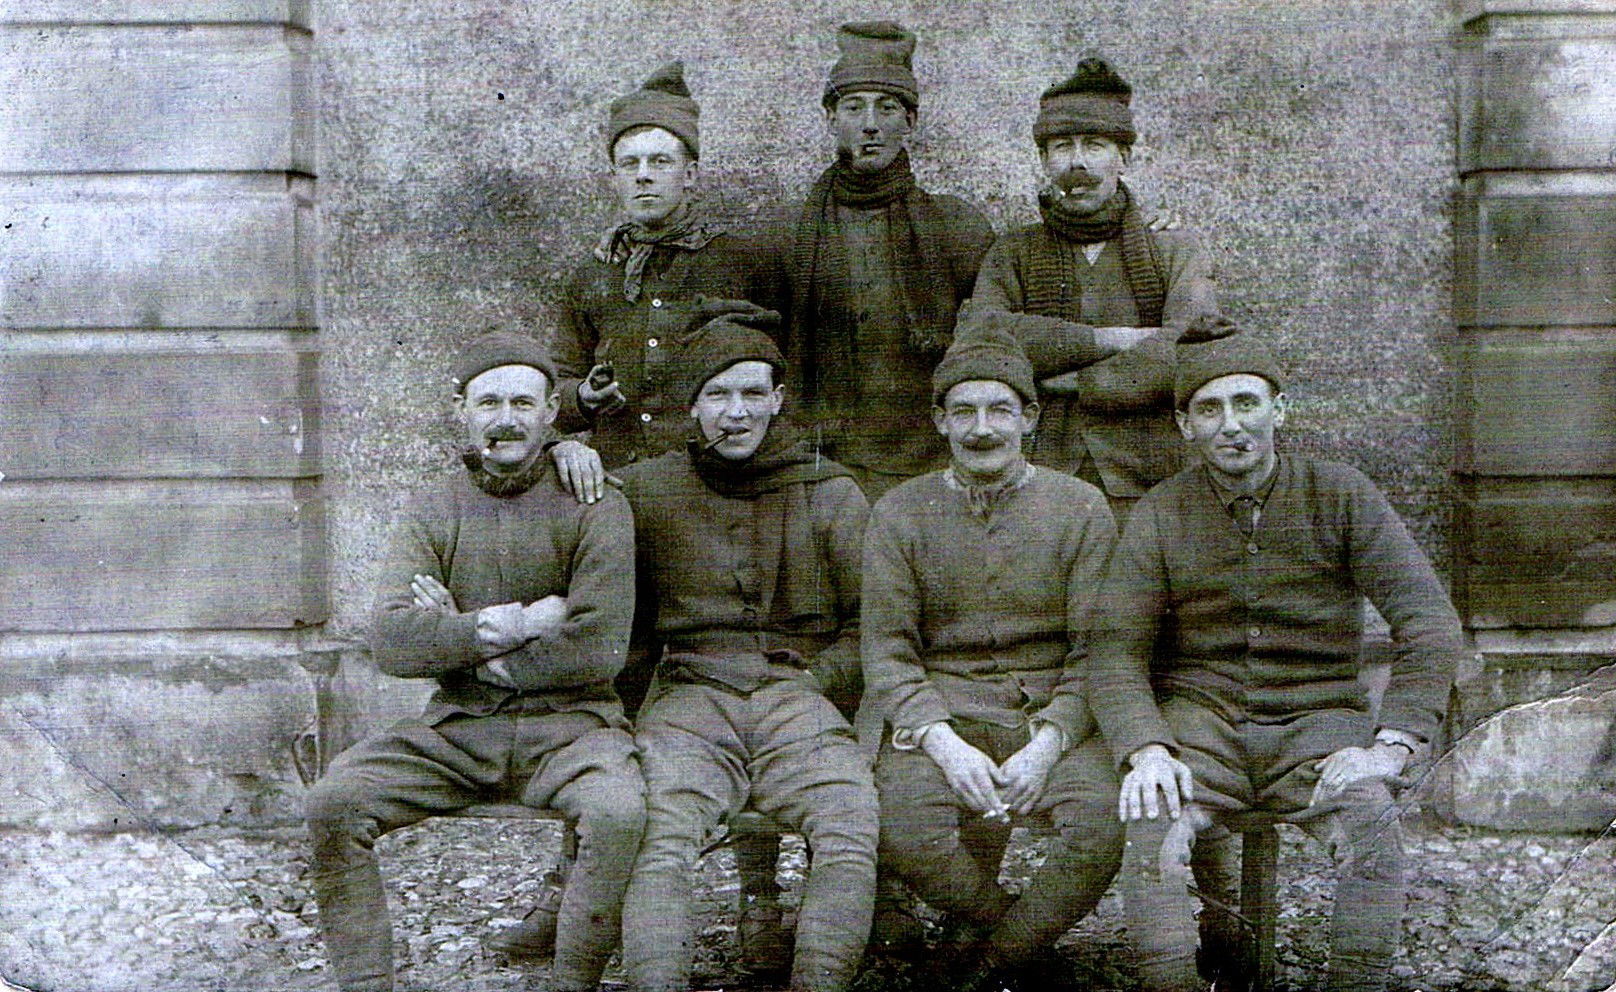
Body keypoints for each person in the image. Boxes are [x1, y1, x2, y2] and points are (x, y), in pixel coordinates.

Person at [1088, 315, 1465, 992]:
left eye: (1247, 403)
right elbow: (1115, 649)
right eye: (1209, 409)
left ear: (1277, 410)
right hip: (1199, 726)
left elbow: (1429, 622)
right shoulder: (1159, 514)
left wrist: (1391, 746)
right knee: (1150, 822)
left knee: (1371, 822)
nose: (1230, 425)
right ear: (1184, 426)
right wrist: (1145, 748)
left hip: (1318, 723)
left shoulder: (1341, 494)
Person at [305, 333, 644, 992]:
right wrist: (518, 622)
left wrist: (459, 636)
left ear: (552, 413)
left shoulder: (596, 502)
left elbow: (600, 644)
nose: (507, 419)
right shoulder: (433, 506)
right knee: (333, 802)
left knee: (618, 812)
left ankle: (571, 984)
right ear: (461, 408)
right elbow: (394, 640)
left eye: (524, 402)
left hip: (573, 730)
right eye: (489, 402)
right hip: (459, 730)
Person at [617, 310, 877, 992]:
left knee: (849, 824)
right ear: (692, 405)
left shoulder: (830, 492)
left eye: (753, 394)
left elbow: (872, 625)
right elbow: (619, 614)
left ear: (778, 399)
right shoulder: (646, 490)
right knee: (658, 835)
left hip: (801, 695)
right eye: (718, 395)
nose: (737, 413)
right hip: (689, 700)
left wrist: (821, 682)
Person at [861, 320, 1124, 990]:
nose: (982, 429)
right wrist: (942, 743)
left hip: (1051, 713)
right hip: (943, 711)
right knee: (900, 827)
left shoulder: (1082, 508)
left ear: (1030, 418)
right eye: (964, 412)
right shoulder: (899, 511)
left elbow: (1099, 648)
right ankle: (1020, 938)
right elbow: (888, 648)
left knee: (1101, 824)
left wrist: (1050, 743)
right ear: (940, 422)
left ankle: (988, 959)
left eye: (1000, 410)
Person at [968, 55, 1217, 518]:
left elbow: (1190, 348)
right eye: (1061, 147)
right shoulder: (1013, 253)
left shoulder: (1173, 249)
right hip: (1039, 476)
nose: (1077, 163)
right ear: (1044, 160)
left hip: (1150, 479)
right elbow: (984, 338)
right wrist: (1112, 341)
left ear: (1124, 157)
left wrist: (1074, 380)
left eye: (1095, 145)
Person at [546, 60, 784, 499]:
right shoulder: (594, 274)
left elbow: (785, 381)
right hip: (618, 490)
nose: (644, 175)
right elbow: (554, 392)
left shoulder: (744, 262)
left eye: (660, 161)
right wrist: (584, 396)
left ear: (690, 175)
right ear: (615, 178)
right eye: (629, 163)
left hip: (716, 490)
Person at [785, 20, 995, 502]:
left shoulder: (955, 227)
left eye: (888, 107)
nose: (871, 124)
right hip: (823, 463)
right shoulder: (790, 232)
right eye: (853, 107)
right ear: (830, 118)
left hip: (929, 460)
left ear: (911, 122)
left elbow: (1012, 302)